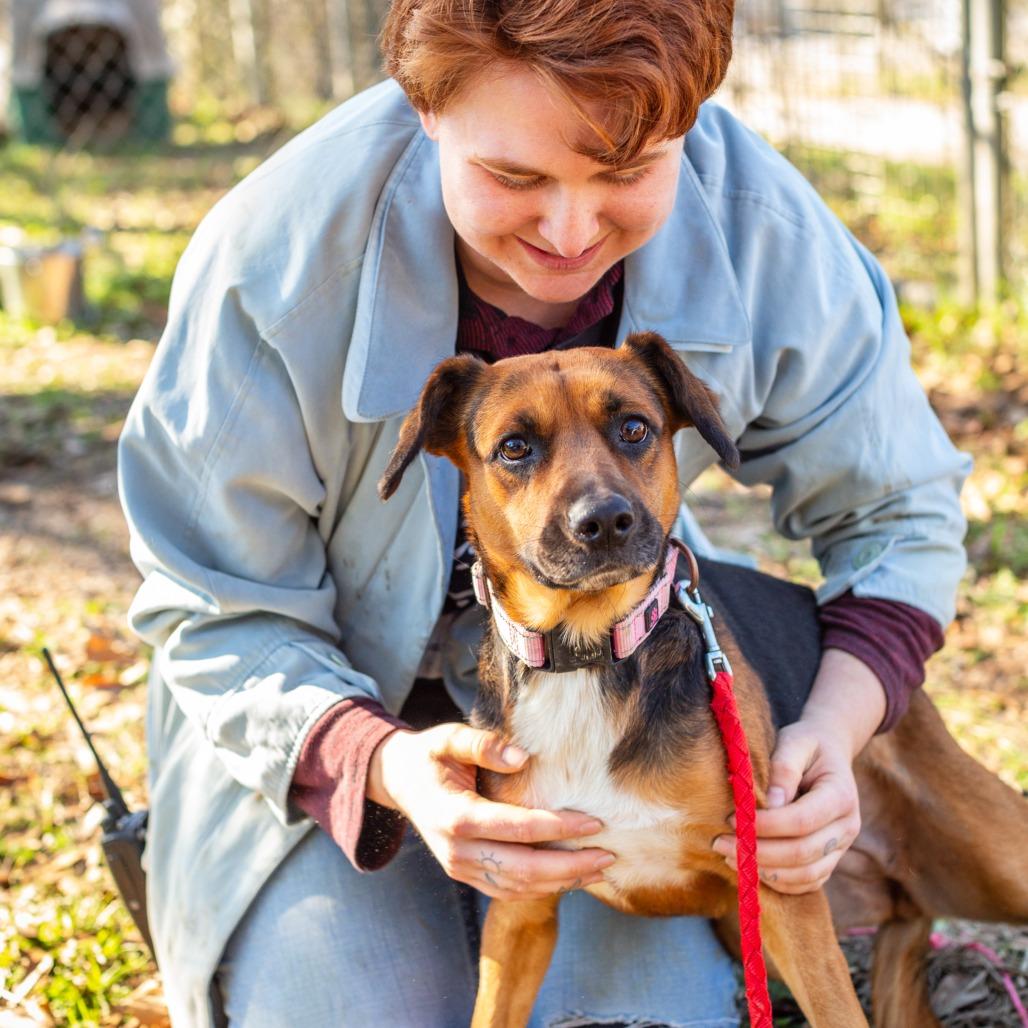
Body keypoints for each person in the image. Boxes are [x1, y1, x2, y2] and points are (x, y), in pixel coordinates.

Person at [117, 0, 971, 1024]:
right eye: (513, 176)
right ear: (424, 112)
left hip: (619, 685)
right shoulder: (275, 262)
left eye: (624, 170)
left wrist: (825, 739)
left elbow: (898, 515)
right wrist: (382, 761)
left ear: (689, 124)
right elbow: (204, 603)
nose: (568, 232)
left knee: (632, 1016)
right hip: (320, 710)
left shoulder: (765, 232)